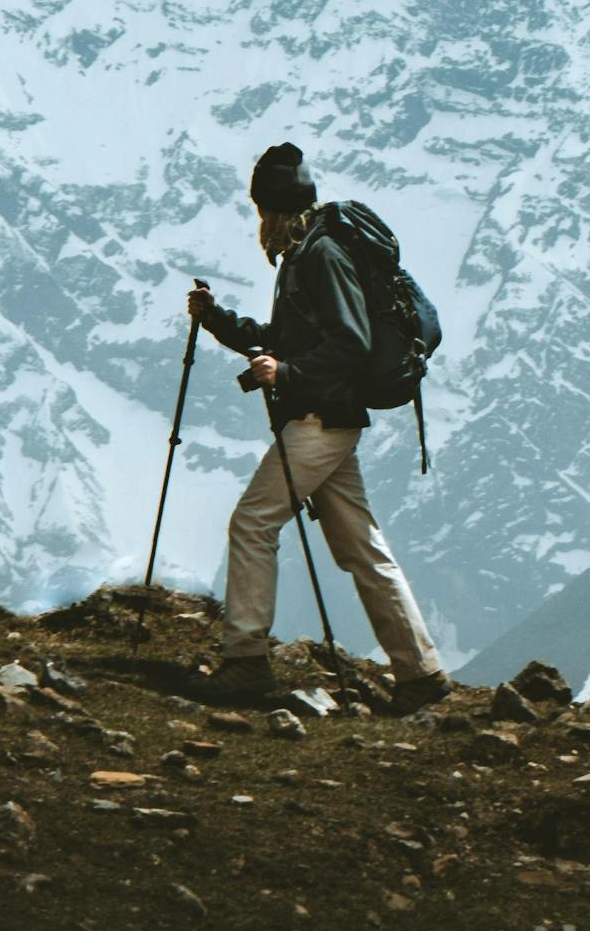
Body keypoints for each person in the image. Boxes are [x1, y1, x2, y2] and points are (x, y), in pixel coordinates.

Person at [186, 141, 452, 710]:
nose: (258, 222)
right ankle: (421, 672)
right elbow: (289, 336)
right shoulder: (309, 251)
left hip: (319, 422)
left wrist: (287, 373)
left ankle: (245, 659)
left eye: (260, 210)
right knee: (362, 549)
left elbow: (349, 344)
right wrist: (217, 321)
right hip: (329, 421)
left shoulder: (320, 255)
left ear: (274, 209)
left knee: (252, 523)